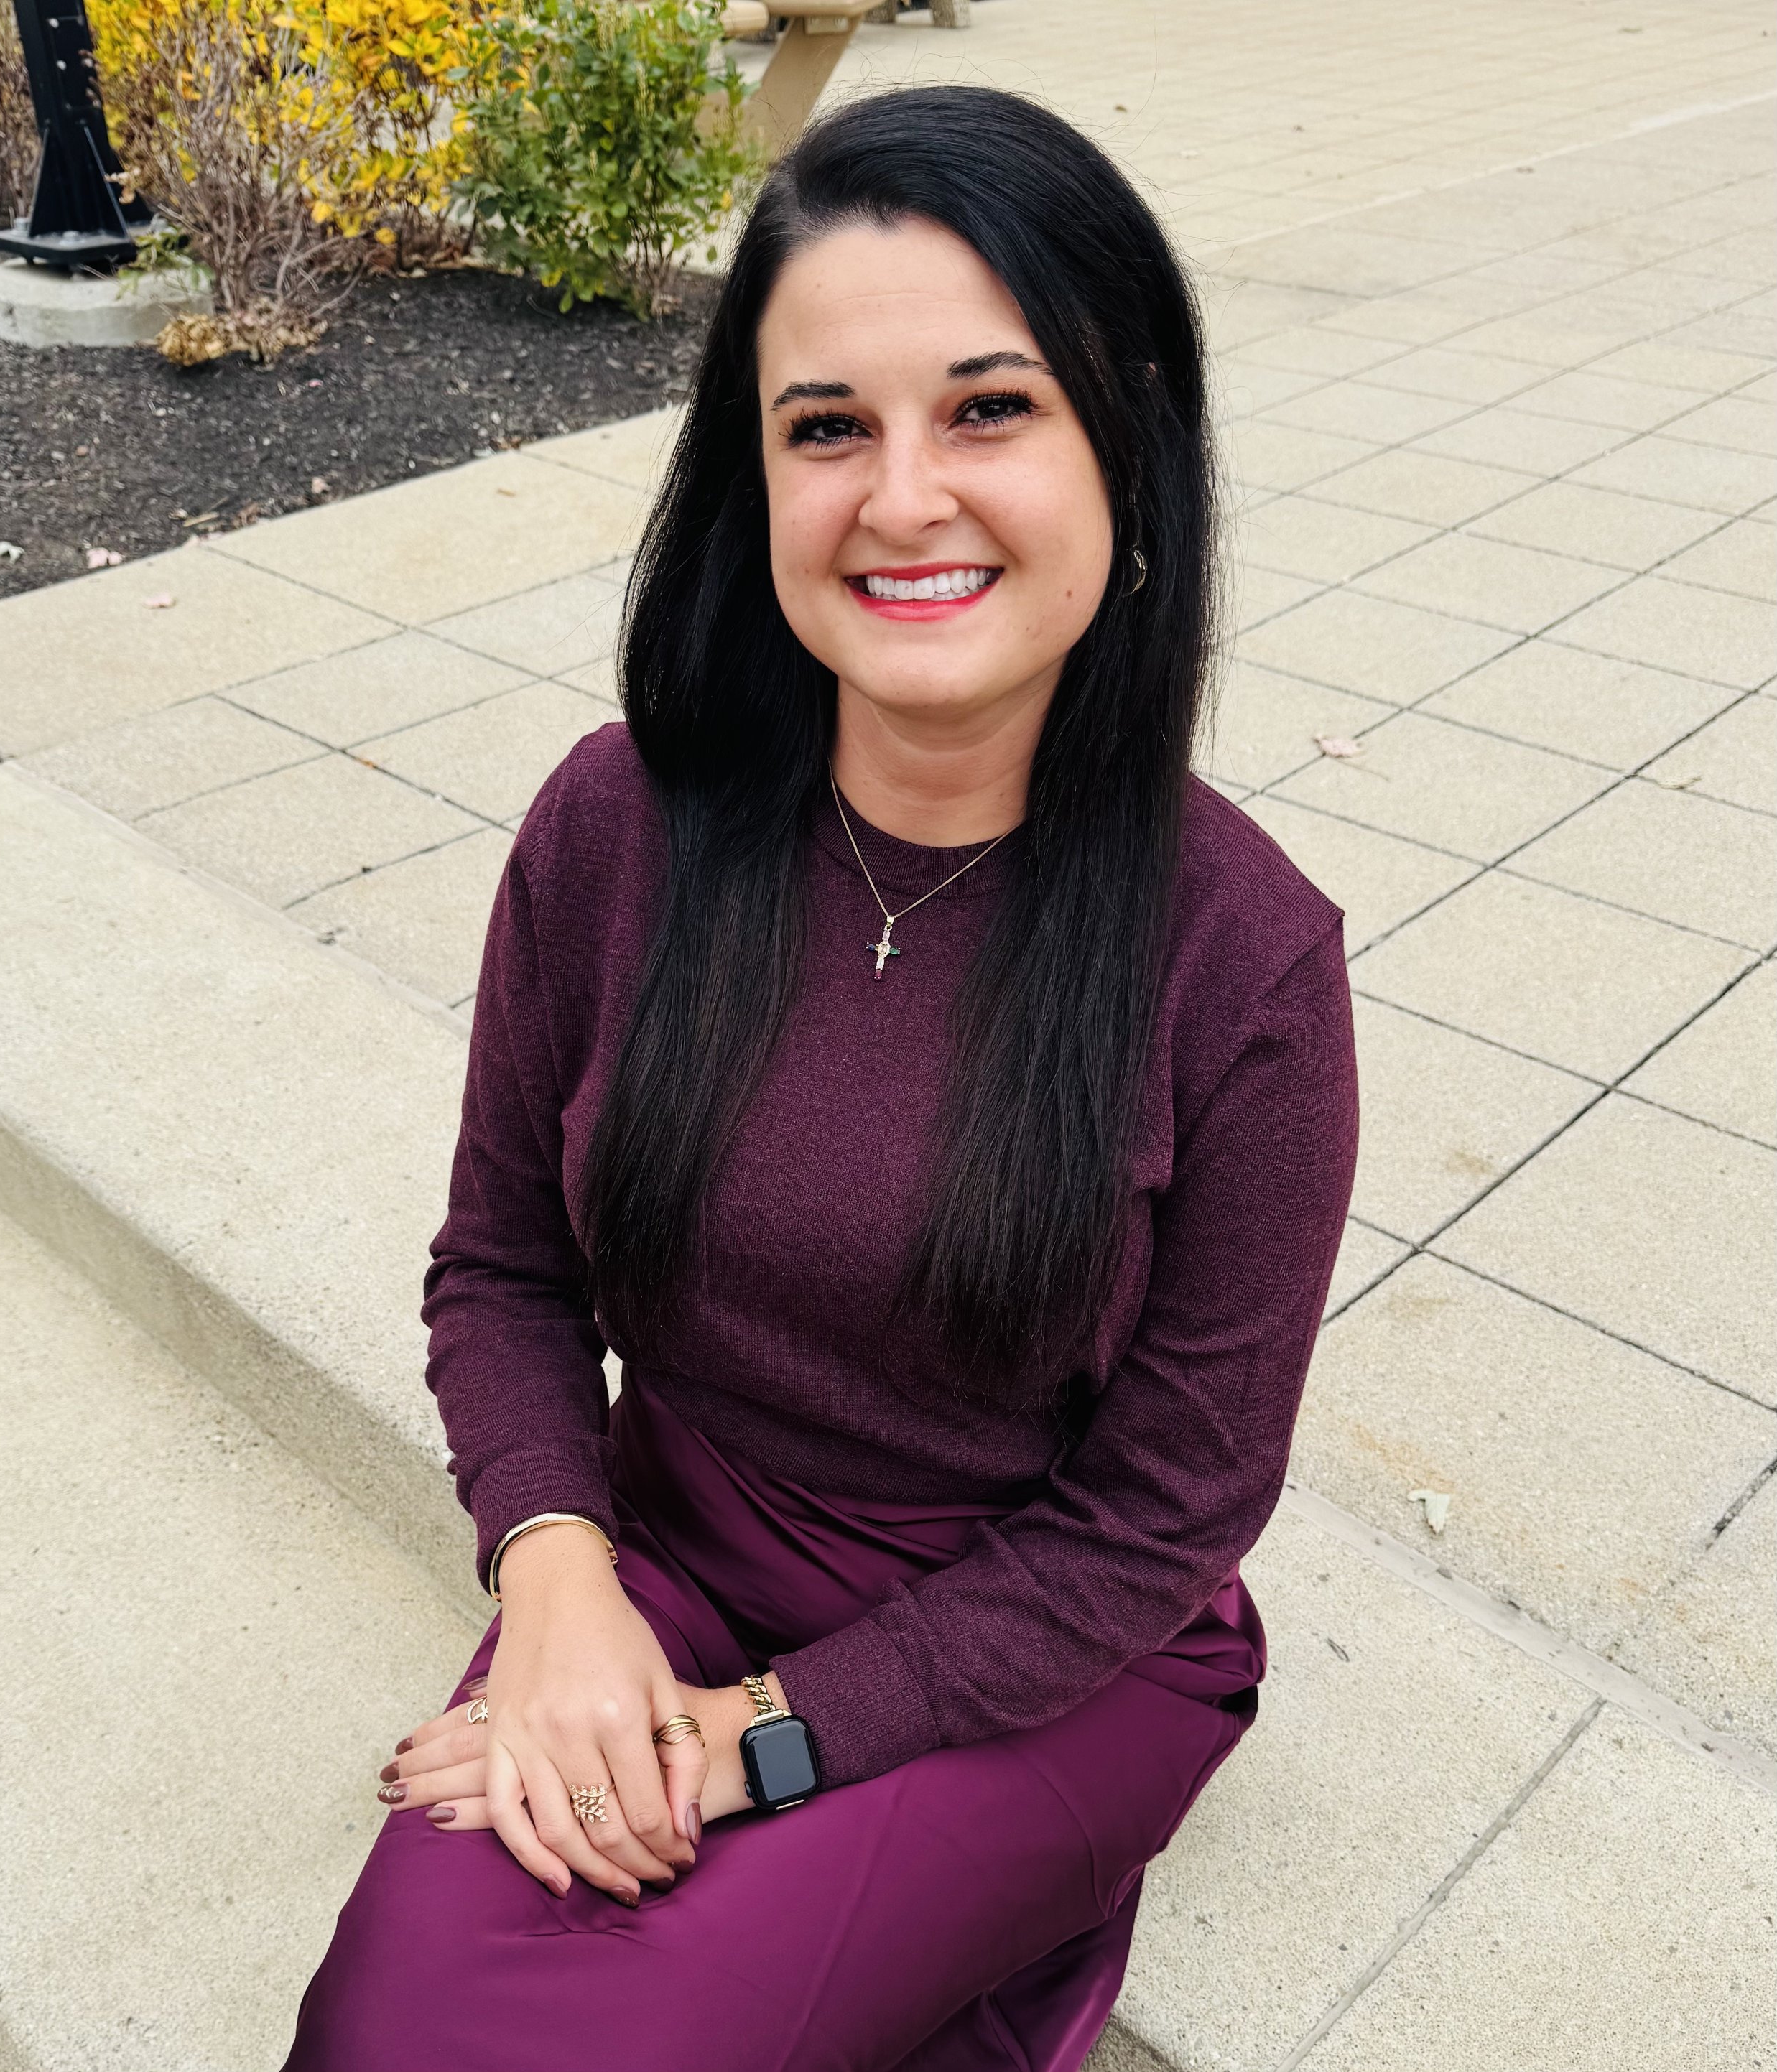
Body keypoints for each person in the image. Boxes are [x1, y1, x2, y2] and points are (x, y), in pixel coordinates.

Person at [283, 83, 1358, 2072]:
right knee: (387, 2036)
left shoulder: (1243, 955)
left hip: (1056, 1656)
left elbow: (1165, 1514)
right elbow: (503, 1272)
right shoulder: (618, 826)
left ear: (1127, 439)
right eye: (827, 429)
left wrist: (761, 1744)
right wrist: (559, 1589)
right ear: (749, 478)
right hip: (665, 1555)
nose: (902, 497)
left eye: (987, 408)